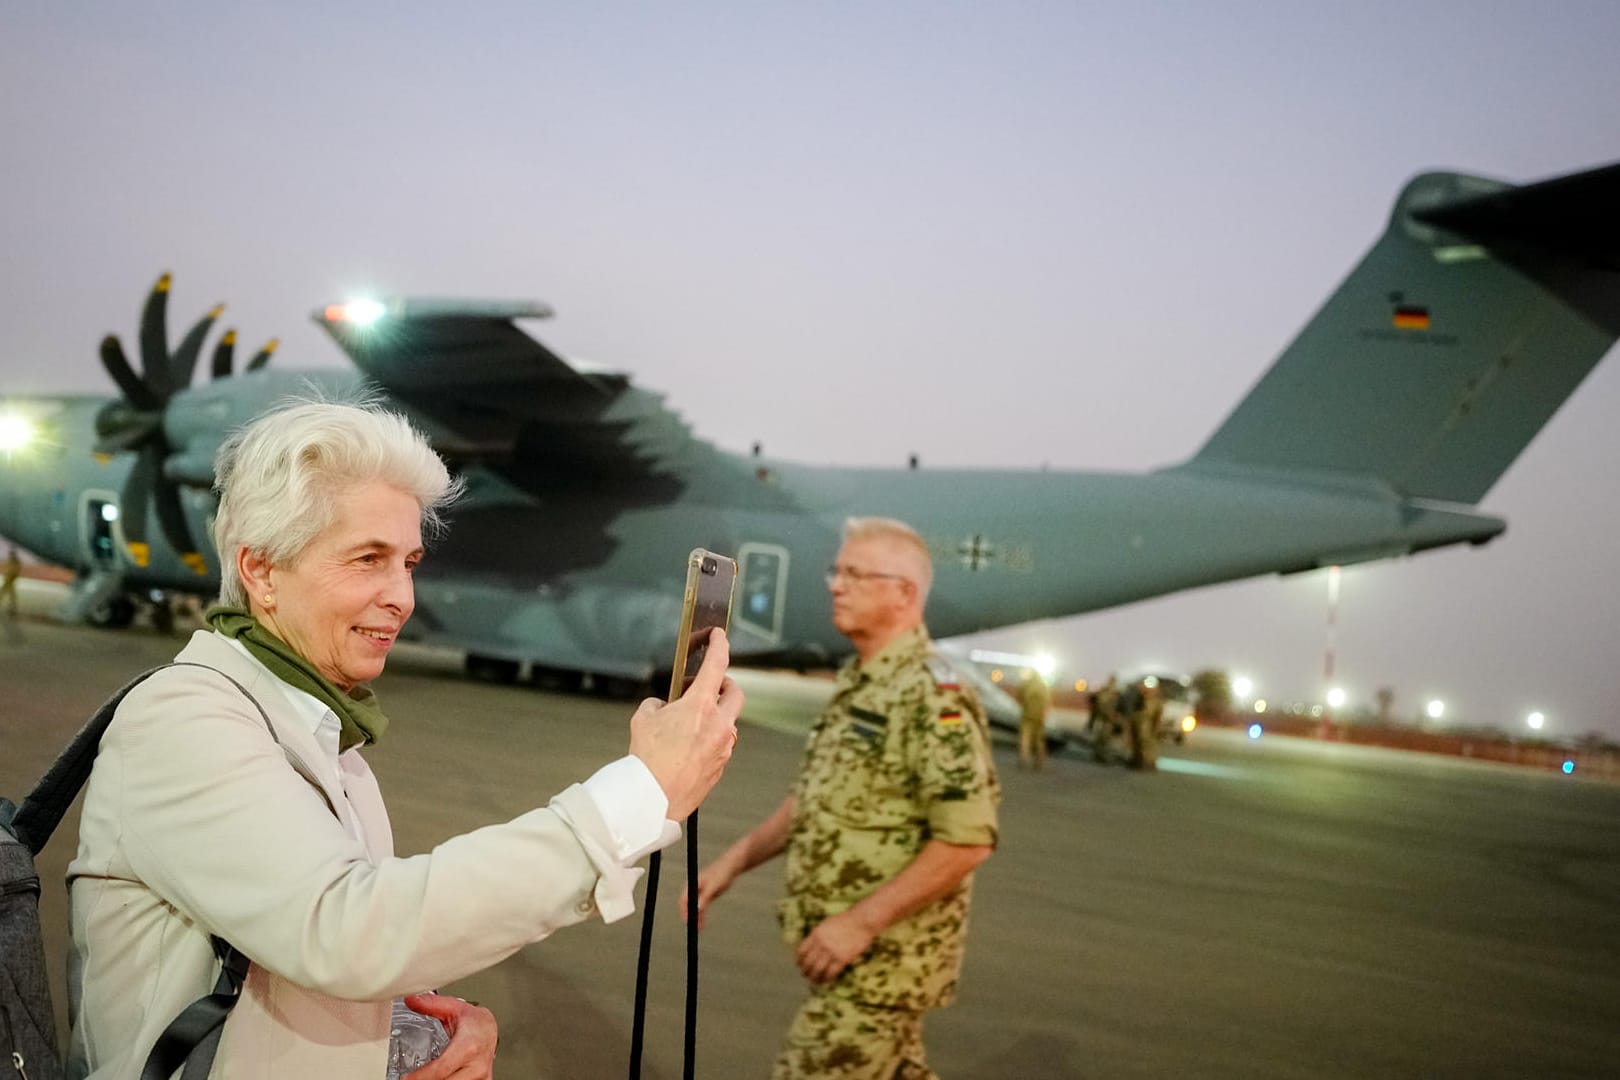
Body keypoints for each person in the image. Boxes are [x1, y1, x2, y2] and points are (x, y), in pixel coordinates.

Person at [65, 401, 745, 1080]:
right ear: (262, 571)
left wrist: (427, 1025)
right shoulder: (186, 720)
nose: (403, 596)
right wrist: (631, 798)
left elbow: (296, 962)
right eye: (368, 559)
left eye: (409, 562)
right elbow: (344, 931)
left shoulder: (321, 730)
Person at [683, 517, 1000, 1079]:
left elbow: (967, 838)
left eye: (855, 574)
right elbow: (815, 798)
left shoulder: (932, 695)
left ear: (904, 593)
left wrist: (861, 923)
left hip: (881, 968)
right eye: (837, 571)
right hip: (859, 967)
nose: (835, 584)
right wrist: (729, 866)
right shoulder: (863, 680)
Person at [1015, 667, 1051, 771]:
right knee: (1039, 739)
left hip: (1027, 715)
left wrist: (1025, 706)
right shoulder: (1043, 686)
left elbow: (1019, 697)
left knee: (1025, 738)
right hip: (1039, 716)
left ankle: (1023, 758)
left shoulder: (1026, 685)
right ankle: (1039, 761)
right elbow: (1047, 702)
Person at [1128, 678, 1164, 771]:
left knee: (1147, 744)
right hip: (1137, 723)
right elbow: (1134, 712)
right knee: (1137, 743)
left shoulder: (1156, 702)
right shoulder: (1139, 699)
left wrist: (1156, 728)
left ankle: (1148, 762)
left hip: (1146, 725)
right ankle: (1137, 760)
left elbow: (1157, 717)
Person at [1089, 673, 1121, 764]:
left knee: (1107, 739)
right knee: (1101, 737)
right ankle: (1098, 755)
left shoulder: (1116, 693)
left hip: (1110, 719)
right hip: (1103, 718)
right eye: (1111, 681)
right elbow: (1100, 704)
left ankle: (1102, 755)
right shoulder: (1104, 691)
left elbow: (1118, 706)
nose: (1112, 683)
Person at [1, 545, 20, 617]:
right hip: (8, 578)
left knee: (7, 592)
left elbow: (15, 570)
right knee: (9, 592)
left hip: (10, 578)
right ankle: (12, 606)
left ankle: (12, 606)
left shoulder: (15, 562)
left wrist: (13, 576)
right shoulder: (12, 561)